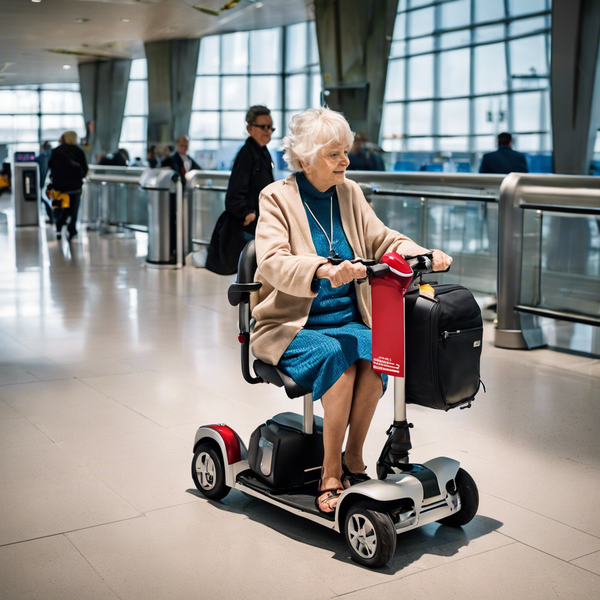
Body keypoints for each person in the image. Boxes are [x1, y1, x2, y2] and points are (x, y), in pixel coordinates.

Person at [251, 107, 452, 514]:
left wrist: (419, 251)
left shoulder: (349, 192)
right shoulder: (276, 198)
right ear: (306, 158)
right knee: (339, 363)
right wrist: (323, 269)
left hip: (347, 320)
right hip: (293, 325)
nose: (345, 161)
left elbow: (381, 239)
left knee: (378, 356)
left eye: (345, 152)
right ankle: (329, 472)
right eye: (333, 154)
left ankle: (354, 460)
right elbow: (271, 261)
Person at [225, 105, 275, 238]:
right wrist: (246, 213)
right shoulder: (246, 154)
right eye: (263, 127)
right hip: (249, 225)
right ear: (249, 129)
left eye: (270, 127)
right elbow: (235, 191)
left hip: (260, 221)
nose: (268, 131)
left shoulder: (263, 152)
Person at [48, 131, 88, 241]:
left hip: (59, 187)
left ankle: (58, 229)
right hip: (75, 187)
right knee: (73, 211)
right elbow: (85, 169)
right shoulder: (79, 151)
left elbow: (51, 167)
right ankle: (72, 230)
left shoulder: (55, 152)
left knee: (59, 209)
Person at [35, 141, 53, 223]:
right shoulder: (51, 154)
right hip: (46, 180)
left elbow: (41, 169)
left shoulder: (43, 156)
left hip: (42, 181)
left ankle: (52, 217)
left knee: (43, 198)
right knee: (44, 198)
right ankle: (52, 217)